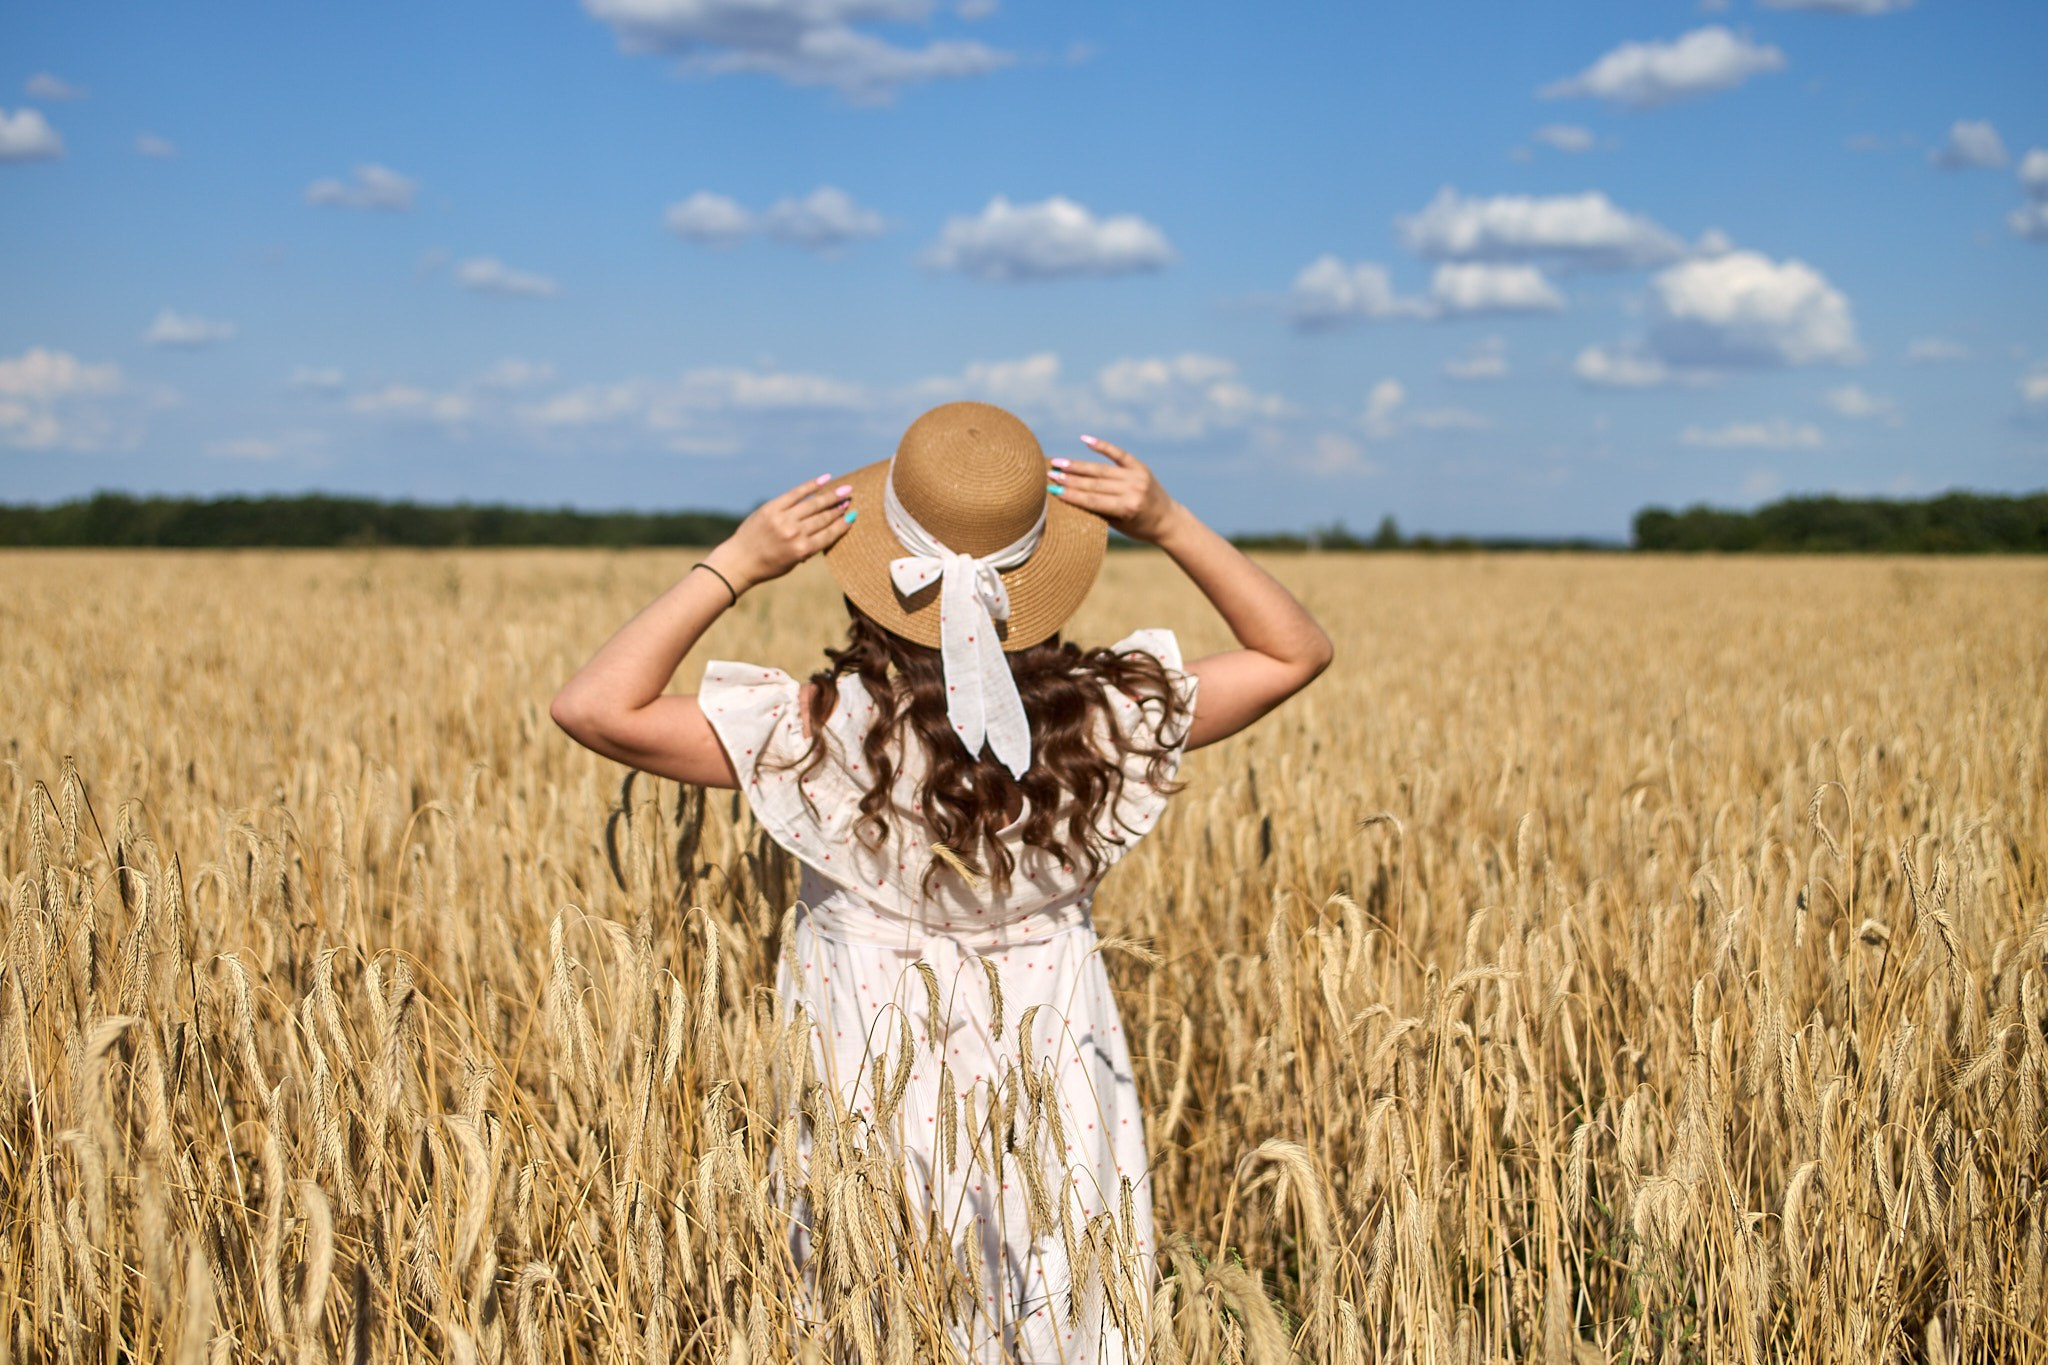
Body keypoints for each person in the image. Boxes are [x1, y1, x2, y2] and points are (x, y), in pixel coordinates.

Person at [551, 401, 1331, 1363]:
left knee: (872, 1310)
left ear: (878, 577)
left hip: (864, 1082)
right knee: (1061, 1302)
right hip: (1056, 1082)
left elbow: (592, 705)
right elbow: (1296, 651)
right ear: (1041, 584)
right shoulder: (1099, 726)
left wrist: (737, 564)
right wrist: (1169, 523)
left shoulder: (814, 732)